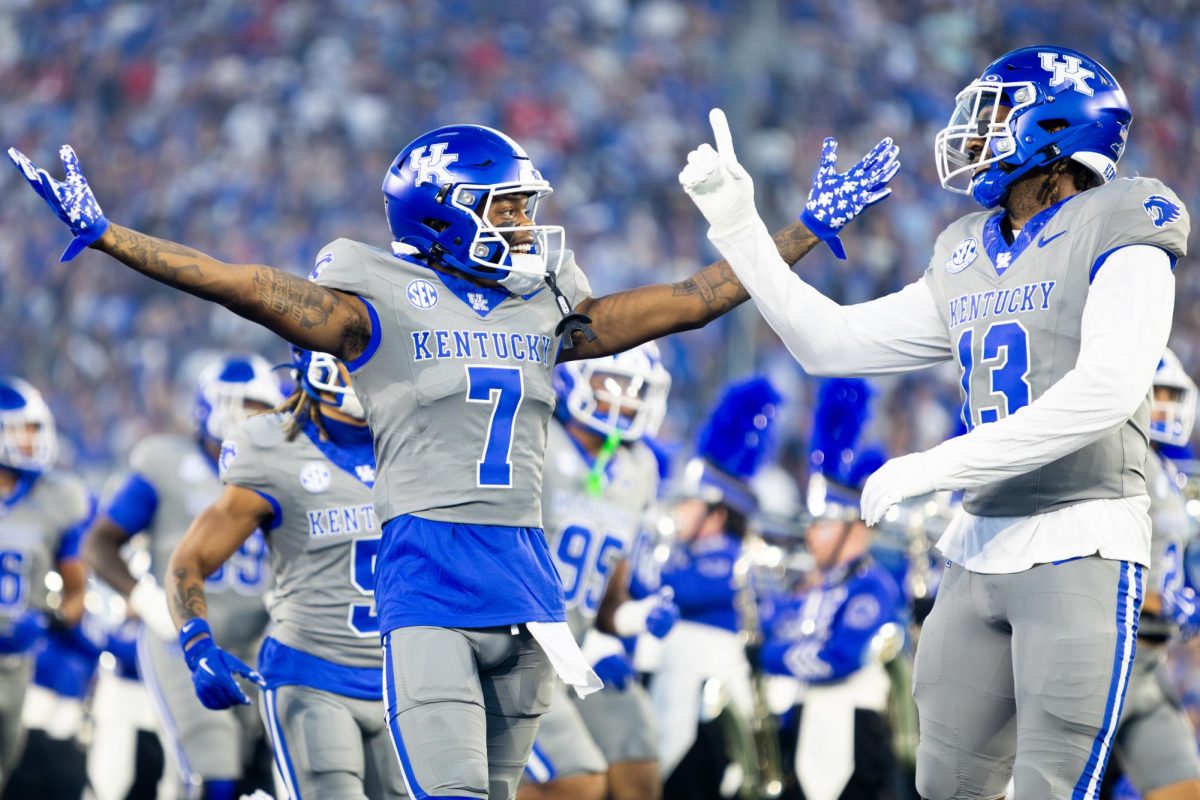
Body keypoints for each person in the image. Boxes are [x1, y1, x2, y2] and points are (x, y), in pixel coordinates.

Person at [8, 121, 897, 800]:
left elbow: (694, 301)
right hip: (427, 583)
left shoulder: (545, 307)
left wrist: (803, 229)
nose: (524, 224)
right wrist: (112, 236)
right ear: (443, 210)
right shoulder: (373, 307)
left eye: (524, 206)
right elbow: (236, 281)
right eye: (504, 206)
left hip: (530, 586)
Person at [681, 46, 1189, 799]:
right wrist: (738, 226)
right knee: (944, 785)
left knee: (1052, 787)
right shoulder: (965, 248)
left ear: (1055, 129)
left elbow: (1107, 390)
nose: (973, 133)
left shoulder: (1125, 218)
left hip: (1081, 534)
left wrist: (936, 465)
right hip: (978, 543)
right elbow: (830, 344)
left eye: (996, 115)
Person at [165, 348, 403, 800]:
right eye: (349, 350)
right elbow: (188, 561)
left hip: (407, 680)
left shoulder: (417, 438)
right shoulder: (276, 448)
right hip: (314, 676)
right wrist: (196, 642)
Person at [82, 354, 281, 800]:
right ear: (209, 406)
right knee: (215, 771)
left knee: (262, 776)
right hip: (184, 642)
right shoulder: (167, 462)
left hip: (257, 643)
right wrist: (150, 601)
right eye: (243, 404)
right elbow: (99, 543)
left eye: (261, 407)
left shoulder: (279, 471)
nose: (251, 418)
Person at [519, 342, 677, 800]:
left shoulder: (639, 466)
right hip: (521, 641)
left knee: (639, 763)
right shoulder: (538, 437)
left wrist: (633, 620)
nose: (628, 396)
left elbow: (610, 594)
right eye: (616, 382)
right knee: (578, 782)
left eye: (636, 387)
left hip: (578, 648)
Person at [759, 379, 903, 800]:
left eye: (823, 525)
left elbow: (839, 658)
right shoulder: (812, 582)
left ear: (855, 529)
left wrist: (770, 657)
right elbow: (776, 626)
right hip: (806, 729)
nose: (812, 536)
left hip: (857, 736)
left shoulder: (872, 587)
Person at [651, 376, 781, 799]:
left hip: (709, 706)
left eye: (691, 500)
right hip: (680, 691)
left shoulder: (731, 557)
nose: (680, 507)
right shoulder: (686, 552)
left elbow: (672, 586)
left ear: (716, 514)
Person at [1101, 350, 1200, 800]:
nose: (1165, 407)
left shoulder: (1162, 470)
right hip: (1099, 662)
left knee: (1183, 786)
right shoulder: (1107, 463)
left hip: (1147, 666)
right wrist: (1150, 599)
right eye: (1157, 395)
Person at [0, 376, 92, 791]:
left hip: (18, 664)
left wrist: (52, 620)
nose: (32, 439)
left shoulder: (57, 497)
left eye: (36, 429)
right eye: (23, 428)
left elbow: (76, 591)